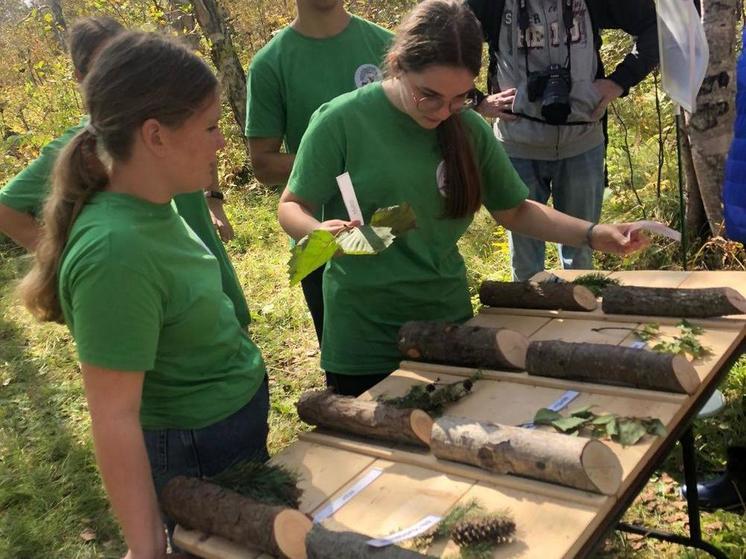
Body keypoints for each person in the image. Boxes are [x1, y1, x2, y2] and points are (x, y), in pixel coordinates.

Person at [277, 0, 648, 397]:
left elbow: (515, 209)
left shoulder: (467, 128)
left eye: (459, 98)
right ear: (399, 64)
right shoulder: (340, 121)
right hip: (365, 337)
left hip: (448, 325)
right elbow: (291, 206)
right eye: (429, 95)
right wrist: (319, 233)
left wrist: (594, 234)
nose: (442, 112)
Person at [19, 32, 269, 557]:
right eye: (210, 127)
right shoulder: (115, 250)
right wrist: (146, 544)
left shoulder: (154, 201)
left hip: (224, 430)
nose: (222, 143)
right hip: (192, 451)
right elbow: (113, 416)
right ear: (155, 136)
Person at [0, 16, 250, 329]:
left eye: (127, 63)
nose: (122, 77)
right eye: (106, 66)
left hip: (202, 264)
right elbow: (5, 208)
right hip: (157, 298)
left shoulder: (169, 118)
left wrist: (214, 200)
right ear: (81, 78)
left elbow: (207, 144)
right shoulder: (80, 146)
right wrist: (64, 260)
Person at [466, 0, 659, 280]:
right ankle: (531, 316)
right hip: (517, 142)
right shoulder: (493, 4)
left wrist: (620, 81)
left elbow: (653, 27)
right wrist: (477, 100)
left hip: (582, 140)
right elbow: (444, 40)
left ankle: (579, 314)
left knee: (581, 248)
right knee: (526, 259)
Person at [246, 0, 392, 345]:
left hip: (398, 229)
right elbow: (263, 164)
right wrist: (331, 161)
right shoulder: (271, 62)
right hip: (324, 241)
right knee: (350, 373)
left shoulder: (387, 45)